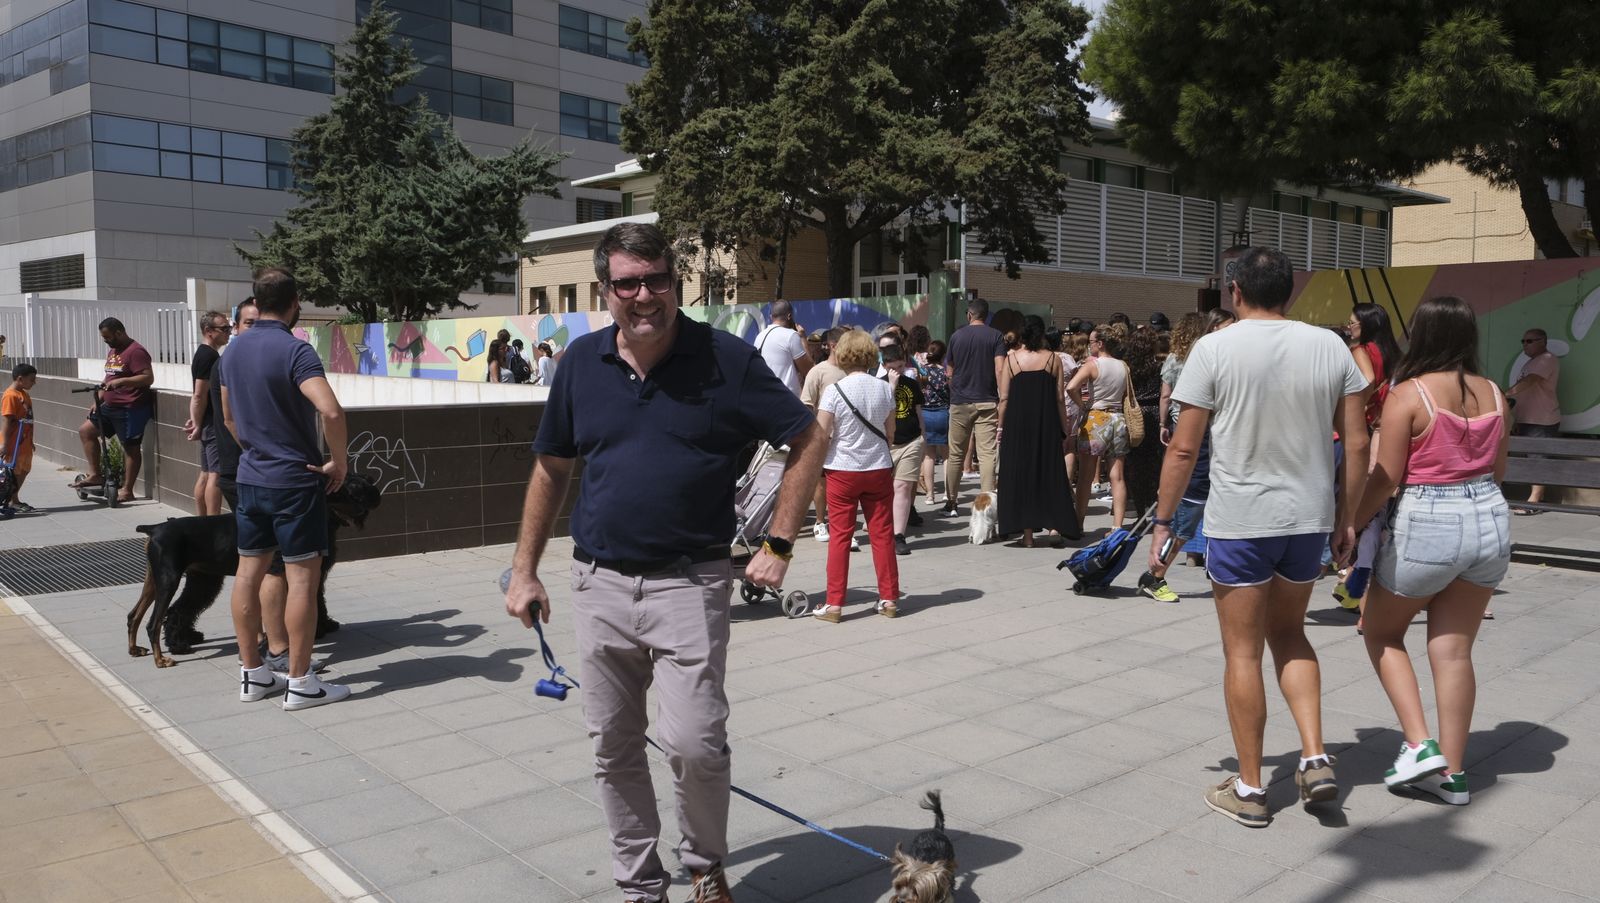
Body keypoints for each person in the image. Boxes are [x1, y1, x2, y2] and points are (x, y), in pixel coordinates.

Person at [504, 222, 823, 903]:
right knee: (614, 747)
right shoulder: (580, 364)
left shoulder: (725, 359)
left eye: (657, 281)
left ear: (675, 284)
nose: (644, 296)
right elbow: (552, 467)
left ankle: (705, 864)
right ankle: (640, 884)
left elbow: (807, 434)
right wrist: (525, 567)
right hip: (599, 583)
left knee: (695, 744)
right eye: (628, 283)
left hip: (691, 582)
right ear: (605, 290)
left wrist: (780, 543)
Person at [1152, 247, 1370, 827]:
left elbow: (1182, 446)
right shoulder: (1330, 346)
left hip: (1242, 518)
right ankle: (1316, 756)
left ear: (1235, 291)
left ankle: (1250, 789)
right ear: (1289, 291)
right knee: (1292, 634)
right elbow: (1358, 443)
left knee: (1242, 651)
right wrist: (1349, 517)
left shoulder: (1214, 348)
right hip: (1309, 519)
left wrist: (1164, 521)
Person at [1353, 295, 1510, 806]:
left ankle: (1420, 744)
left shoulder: (1408, 395)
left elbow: (1386, 478)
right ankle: (1455, 776)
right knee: (1453, 650)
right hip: (1489, 518)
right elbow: (1499, 472)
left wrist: (1351, 524)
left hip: (1428, 520)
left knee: (1380, 631)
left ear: (1422, 334)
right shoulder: (1494, 393)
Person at [220, 269, 350, 711]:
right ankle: (300, 682)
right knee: (301, 581)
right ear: (295, 302)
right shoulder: (297, 351)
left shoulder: (232, 352)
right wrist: (340, 461)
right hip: (294, 482)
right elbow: (331, 411)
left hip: (250, 477)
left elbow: (231, 419)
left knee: (247, 574)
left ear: (257, 299)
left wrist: (256, 451)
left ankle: (253, 674)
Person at [814, 328, 899, 621]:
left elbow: (822, 434)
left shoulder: (833, 391)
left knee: (840, 536)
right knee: (883, 534)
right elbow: (890, 434)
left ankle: (835, 604)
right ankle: (889, 599)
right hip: (877, 468)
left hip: (842, 470)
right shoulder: (885, 388)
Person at [997, 316, 1080, 546]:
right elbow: (1060, 399)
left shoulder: (1011, 360)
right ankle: (1054, 527)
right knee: (1050, 472)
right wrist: (1065, 427)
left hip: (1017, 423)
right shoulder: (1053, 359)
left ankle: (1028, 536)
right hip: (1046, 422)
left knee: (1021, 474)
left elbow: (1004, 398)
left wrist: (1000, 426)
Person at [71, 318, 154, 503]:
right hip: (110, 407)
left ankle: (127, 490)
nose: (105, 341)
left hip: (130, 408)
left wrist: (123, 382)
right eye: (104, 337)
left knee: (130, 448)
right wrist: (99, 399)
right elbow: (109, 377)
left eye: (108, 337)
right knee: (86, 431)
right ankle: (95, 475)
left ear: (118, 332)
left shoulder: (136, 351)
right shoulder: (113, 351)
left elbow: (148, 378)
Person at [1066, 324, 1133, 527]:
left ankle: (1078, 522)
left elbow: (1071, 387)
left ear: (1100, 344)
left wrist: (1083, 405)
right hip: (1118, 419)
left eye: (1092, 342)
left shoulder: (1092, 365)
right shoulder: (1123, 366)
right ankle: (1117, 526)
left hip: (1096, 418)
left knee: (1086, 474)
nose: (1089, 346)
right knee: (1117, 475)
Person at [944, 297, 1005, 514]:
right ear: (986, 316)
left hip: (960, 400)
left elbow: (949, 369)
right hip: (987, 400)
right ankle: (985, 504)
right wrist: (1002, 396)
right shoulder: (996, 336)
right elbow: (1000, 369)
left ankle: (951, 501)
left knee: (956, 454)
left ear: (969, 315)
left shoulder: (956, 336)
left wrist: (955, 386)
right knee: (987, 454)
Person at [1506, 326, 1561, 513]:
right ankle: (1535, 498)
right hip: (1527, 419)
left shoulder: (1546, 359)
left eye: (1530, 341)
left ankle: (1535, 501)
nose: (1525, 345)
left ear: (1543, 342)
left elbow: (1531, 381)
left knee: (1537, 459)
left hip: (1541, 420)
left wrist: (1505, 393)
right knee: (1531, 459)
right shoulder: (1532, 362)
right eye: (1523, 341)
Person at [186, 310, 232, 515]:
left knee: (206, 473)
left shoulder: (204, 354)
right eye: (224, 329)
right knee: (215, 474)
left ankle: (202, 521)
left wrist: (197, 421)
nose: (228, 332)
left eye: (229, 328)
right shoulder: (208, 356)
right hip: (212, 424)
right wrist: (197, 423)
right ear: (208, 331)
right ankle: (212, 523)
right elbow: (198, 394)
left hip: (207, 422)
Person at [880, 343, 925, 555]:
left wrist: (923, 437)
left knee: (903, 487)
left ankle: (899, 535)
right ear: (884, 365)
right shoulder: (878, 385)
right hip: (886, 444)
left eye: (900, 366)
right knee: (885, 489)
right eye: (893, 367)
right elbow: (879, 414)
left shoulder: (912, 384)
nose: (898, 371)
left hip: (911, 441)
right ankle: (883, 530)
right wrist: (890, 386)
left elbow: (918, 412)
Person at [753, 300, 814, 395]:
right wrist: (803, 338)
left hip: (765, 395)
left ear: (771, 317)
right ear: (789, 316)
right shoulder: (791, 335)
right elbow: (809, 370)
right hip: (786, 398)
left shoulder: (759, 336)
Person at [918, 339, 951, 508]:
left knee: (928, 456)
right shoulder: (946, 373)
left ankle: (930, 495)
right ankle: (948, 493)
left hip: (925, 414)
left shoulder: (922, 372)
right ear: (943, 356)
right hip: (942, 414)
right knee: (947, 456)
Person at [2, 363, 37, 512]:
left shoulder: (23, 394)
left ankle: (14, 499)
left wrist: (31, 441)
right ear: (20, 378)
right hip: (14, 444)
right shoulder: (10, 396)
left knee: (24, 469)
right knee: (13, 472)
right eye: (32, 379)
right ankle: (11, 500)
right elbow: (8, 421)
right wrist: (4, 443)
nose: (34, 382)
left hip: (25, 442)